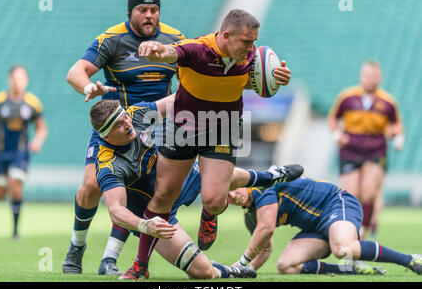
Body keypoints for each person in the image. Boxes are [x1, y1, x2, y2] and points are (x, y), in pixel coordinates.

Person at [123, 8, 295, 279]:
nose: (253, 48)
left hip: (223, 129)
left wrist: (275, 78)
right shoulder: (197, 49)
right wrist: (156, 48)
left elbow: (250, 82)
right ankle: (140, 265)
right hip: (182, 127)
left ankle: (209, 214)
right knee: (164, 195)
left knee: (214, 201)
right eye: (247, 42)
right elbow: (171, 52)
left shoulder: (248, 56)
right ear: (226, 36)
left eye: (254, 41)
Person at [88, 96, 297, 279]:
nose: (126, 124)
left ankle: (269, 176)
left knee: (217, 182)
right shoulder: (109, 164)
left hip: (177, 180)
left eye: (123, 116)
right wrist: (145, 226)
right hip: (155, 215)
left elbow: (173, 101)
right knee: (202, 273)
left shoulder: (136, 114)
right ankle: (229, 271)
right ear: (105, 136)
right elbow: (116, 211)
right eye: (117, 124)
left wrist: (200, 91)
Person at [62, 0, 185, 275]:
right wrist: (88, 86)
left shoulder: (175, 39)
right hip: (117, 124)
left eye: (154, 10)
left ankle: (110, 260)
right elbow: (75, 72)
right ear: (130, 12)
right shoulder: (112, 39)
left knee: (139, 192)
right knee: (92, 185)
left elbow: (192, 75)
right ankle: (77, 246)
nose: (149, 16)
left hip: (154, 126)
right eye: (142, 10)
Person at [227, 178, 422, 276]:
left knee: (343, 249)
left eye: (234, 188)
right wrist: (244, 271)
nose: (233, 195)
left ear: (242, 182)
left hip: (336, 202)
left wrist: (241, 263)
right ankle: (348, 269)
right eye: (227, 196)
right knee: (286, 265)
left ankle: (410, 260)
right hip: (316, 227)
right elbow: (265, 246)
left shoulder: (262, 189)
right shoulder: (250, 215)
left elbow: (266, 230)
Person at [328, 60, 405, 239]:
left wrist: (398, 137)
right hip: (350, 150)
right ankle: (351, 229)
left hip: (375, 149)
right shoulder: (347, 97)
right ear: (361, 76)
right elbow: (333, 118)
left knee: (369, 192)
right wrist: (337, 135)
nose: (371, 79)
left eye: (374, 76)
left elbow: (397, 124)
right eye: (367, 75)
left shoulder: (388, 101)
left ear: (379, 78)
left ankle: (362, 231)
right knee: (350, 194)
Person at [0, 65, 47, 239]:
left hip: (20, 152)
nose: (18, 82)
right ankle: (7, 186)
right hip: (0, 153)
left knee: (15, 184)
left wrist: (37, 141)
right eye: (15, 78)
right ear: (10, 80)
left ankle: (15, 231)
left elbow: (41, 127)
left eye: (22, 78)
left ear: (26, 81)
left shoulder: (32, 102)